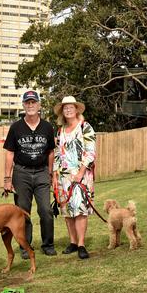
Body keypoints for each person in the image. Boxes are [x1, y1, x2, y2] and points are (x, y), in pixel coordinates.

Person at [3, 90, 57, 259]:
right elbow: (9, 153)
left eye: (34, 102)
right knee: (22, 211)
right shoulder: (16, 127)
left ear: (39, 105)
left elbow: (50, 152)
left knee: (46, 210)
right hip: (21, 173)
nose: (31, 105)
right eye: (28, 103)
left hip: (41, 172)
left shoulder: (47, 127)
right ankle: (25, 246)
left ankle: (48, 244)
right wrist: (7, 179)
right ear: (24, 105)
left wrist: (50, 173)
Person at [52, 96, 97, 260]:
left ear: (76, 109)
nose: (68, 110)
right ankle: (72, 242)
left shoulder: (85, 127)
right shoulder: (60, 130)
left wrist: (80, 172)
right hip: (64, 176)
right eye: (65, 108)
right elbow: (57, 153)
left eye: (71, 107)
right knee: (67, 210)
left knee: (79, 209)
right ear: (62, 112)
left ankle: (81, 244)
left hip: (81, 175)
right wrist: (55, 175)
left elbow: (90, 152)